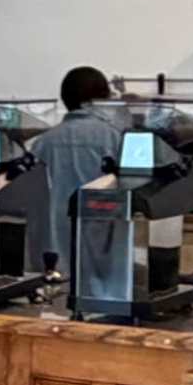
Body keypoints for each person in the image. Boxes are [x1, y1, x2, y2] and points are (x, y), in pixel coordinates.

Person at [10, 65, 135, 273]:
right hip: (102, 247)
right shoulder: (115, 138)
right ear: (101, 99)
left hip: (51, 250)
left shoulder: (44, 142)